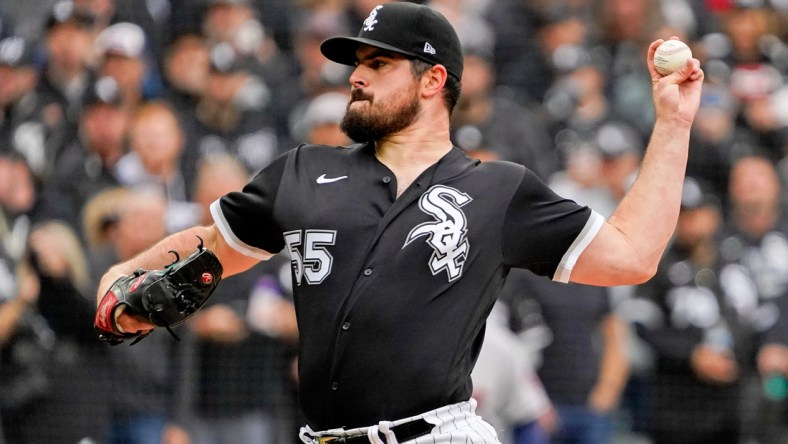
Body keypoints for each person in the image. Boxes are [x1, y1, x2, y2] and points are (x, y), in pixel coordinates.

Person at [95, 2, 704, 443]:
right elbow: (208, 247)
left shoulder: (496, 189)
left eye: (379, 63)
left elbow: (632, 255)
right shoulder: (302, 171)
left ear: (433, 80)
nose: (355, 76)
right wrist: (123, 275)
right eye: (356, 62)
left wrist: (674, 125)